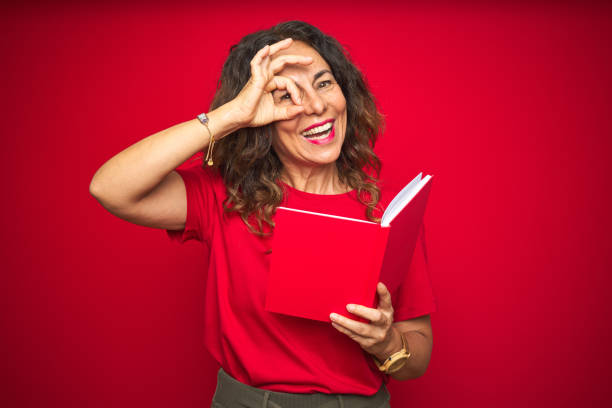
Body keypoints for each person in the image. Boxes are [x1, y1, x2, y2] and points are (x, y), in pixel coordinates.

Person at [90, 20, 436, 408]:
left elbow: (417, 356)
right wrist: (229, 116)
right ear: (258, 111)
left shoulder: (389, 209)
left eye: (324, 83)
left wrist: (387, 342)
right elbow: (110, 188)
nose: (316, 106)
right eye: (286, 95)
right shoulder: (225, 195)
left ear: (345, 92)